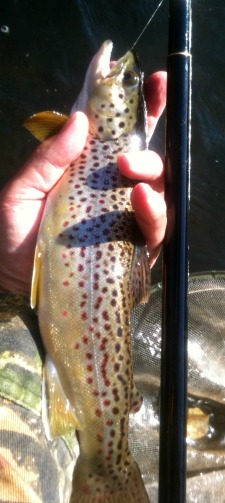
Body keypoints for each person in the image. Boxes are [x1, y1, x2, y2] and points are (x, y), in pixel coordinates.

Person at [0, 72, 167, 503]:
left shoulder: (83, 134)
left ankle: (106, 467)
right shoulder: (80, 137)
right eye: (130, 80)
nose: (123, 75)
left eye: (127, 80)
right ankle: (105, 464)